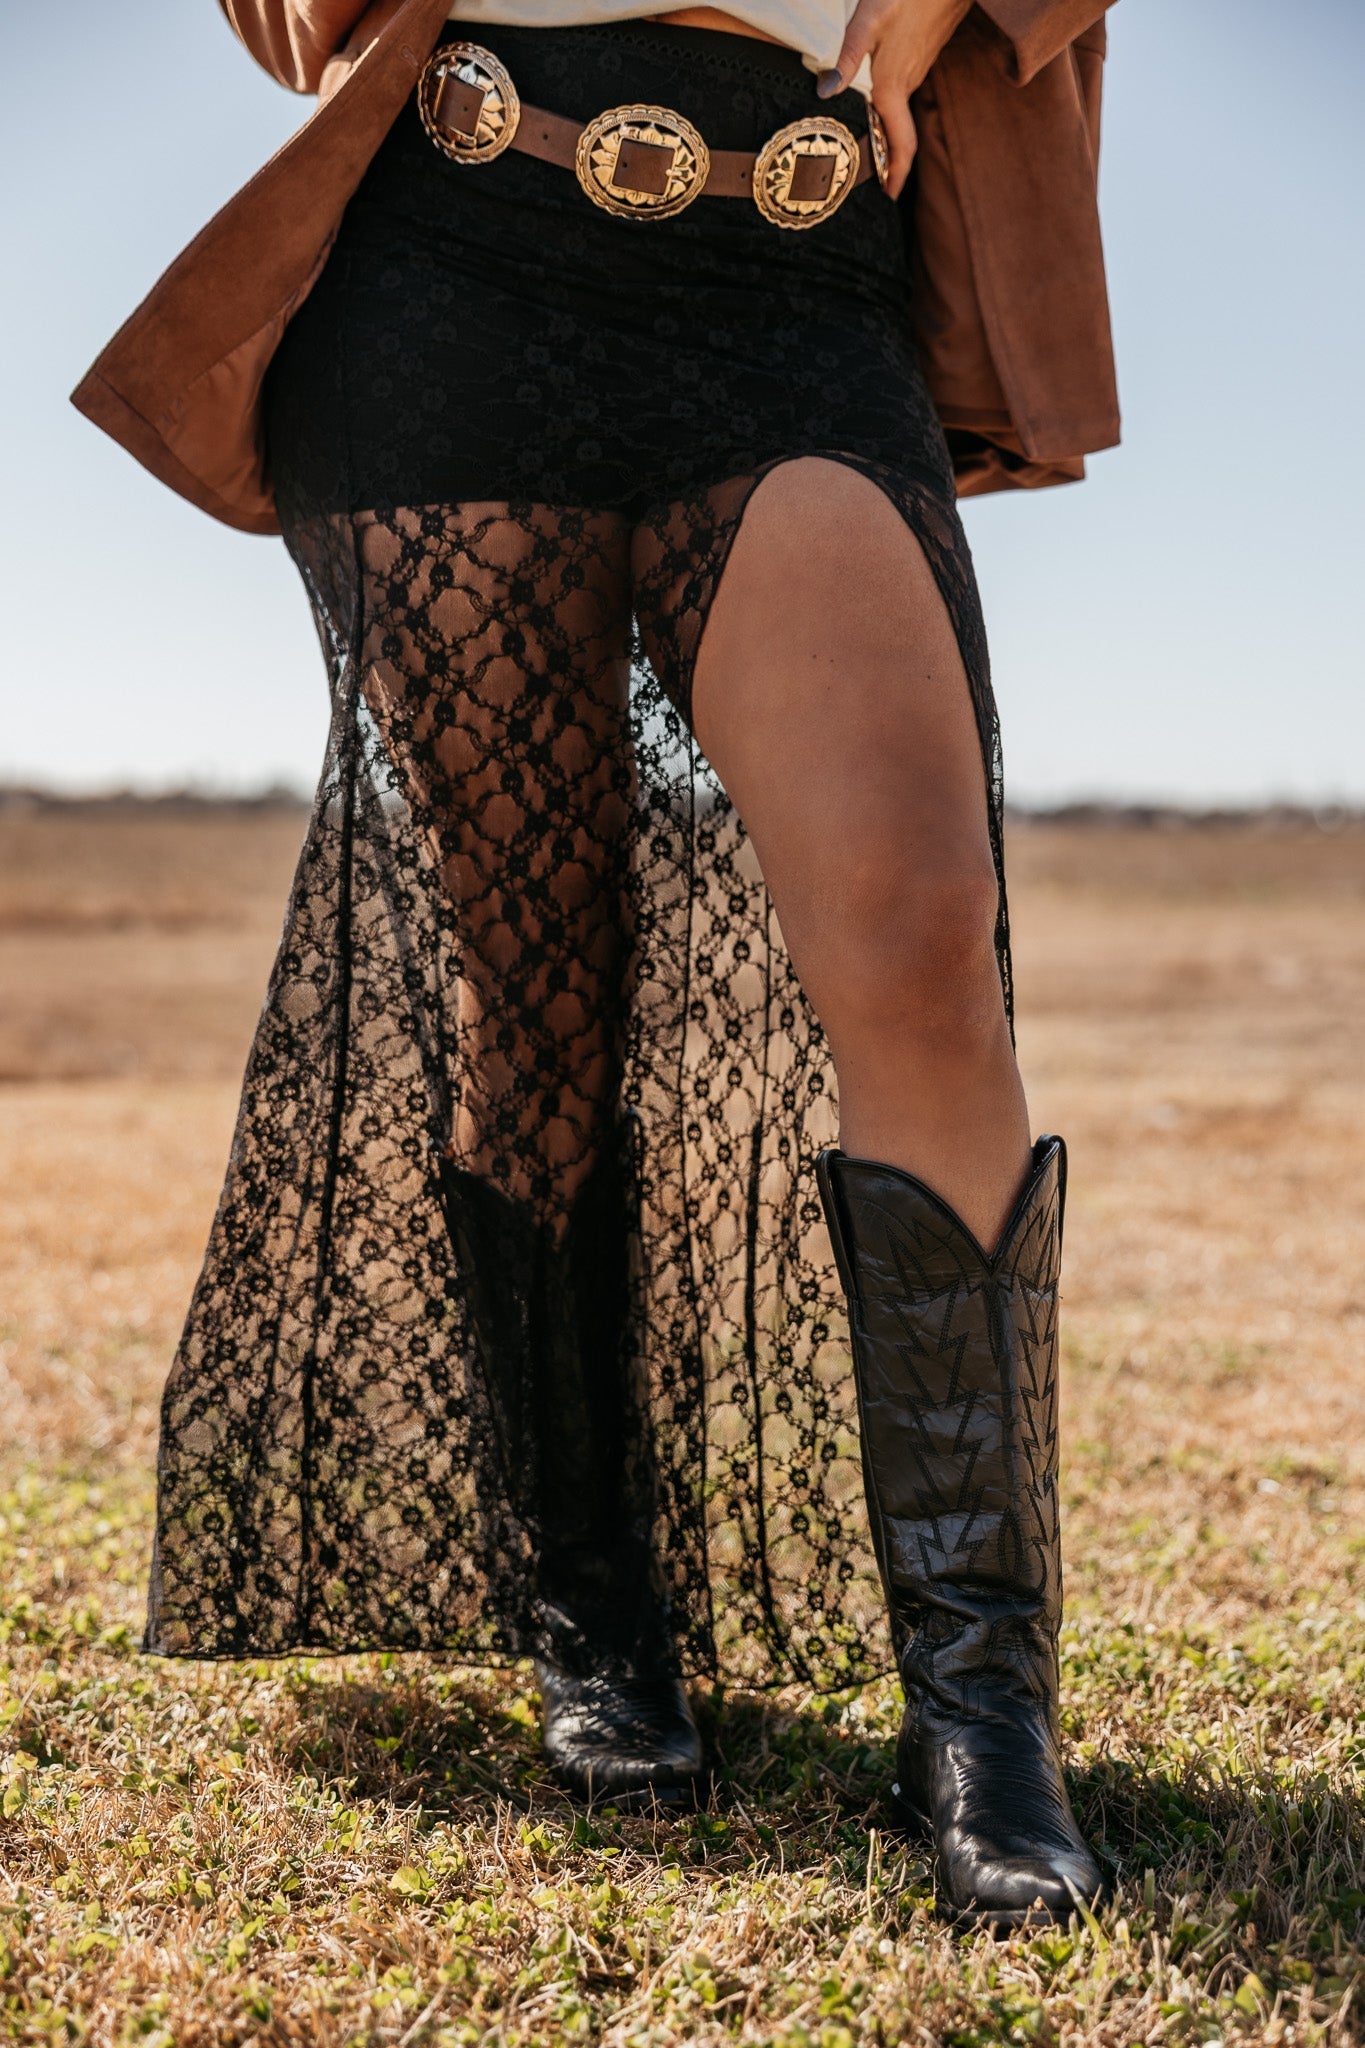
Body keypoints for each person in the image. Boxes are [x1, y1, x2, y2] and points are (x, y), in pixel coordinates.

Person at [74, 0, 1119, 1928]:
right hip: (456, 258)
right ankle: (594, 1611)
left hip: (802, 285)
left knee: (914, 934)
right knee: (531, 971)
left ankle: (982, 1710)